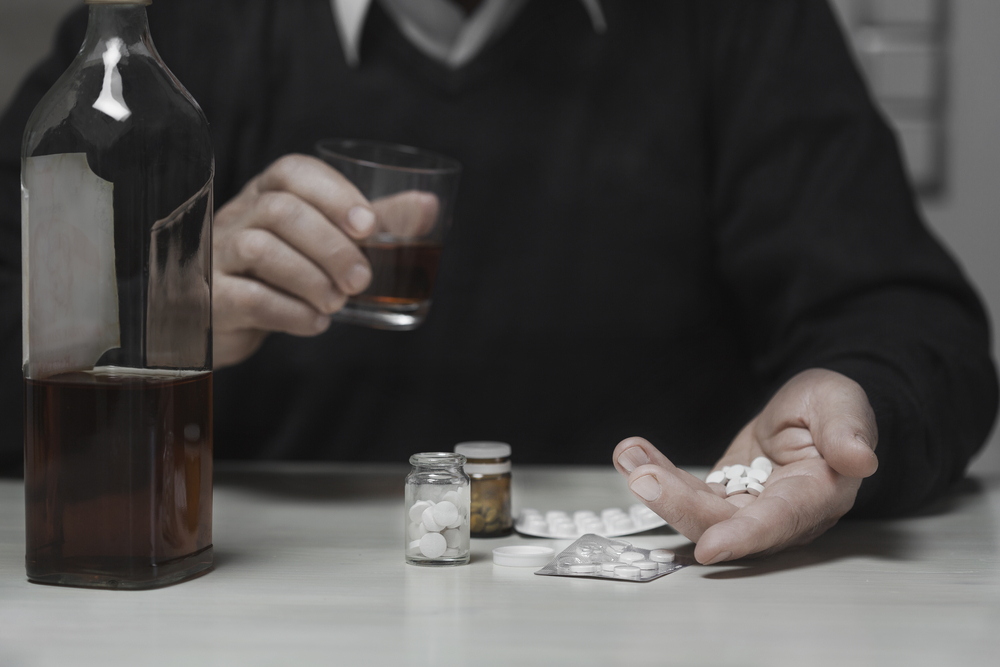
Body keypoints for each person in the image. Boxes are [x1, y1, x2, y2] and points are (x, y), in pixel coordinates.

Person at [0, 0, 996, 565]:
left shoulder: (739, 21)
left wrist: (852, 401)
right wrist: (149, 321)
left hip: (667, 605)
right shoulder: (171, 32)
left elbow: (912, 326)